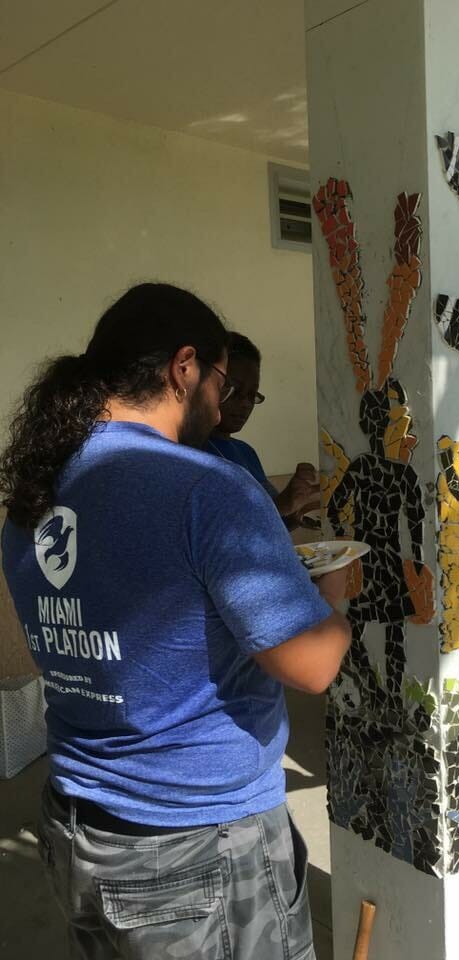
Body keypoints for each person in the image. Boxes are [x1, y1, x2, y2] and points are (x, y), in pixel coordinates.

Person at [0, 282, 351, 959]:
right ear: (184, 368)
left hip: (78, 823)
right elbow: (311, 666)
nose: (223, 405)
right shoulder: (207, 488)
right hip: (194, 841)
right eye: (222, 381)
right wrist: (333, 598)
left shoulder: (35, 489)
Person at [206, 332, 320, 530]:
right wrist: (284, 505)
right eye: (235, 391)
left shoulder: (245, 452)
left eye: (251, 395)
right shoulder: (194, 453)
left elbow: (270, 525)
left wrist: (297, 509)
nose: (244, 404)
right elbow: (221, 534)